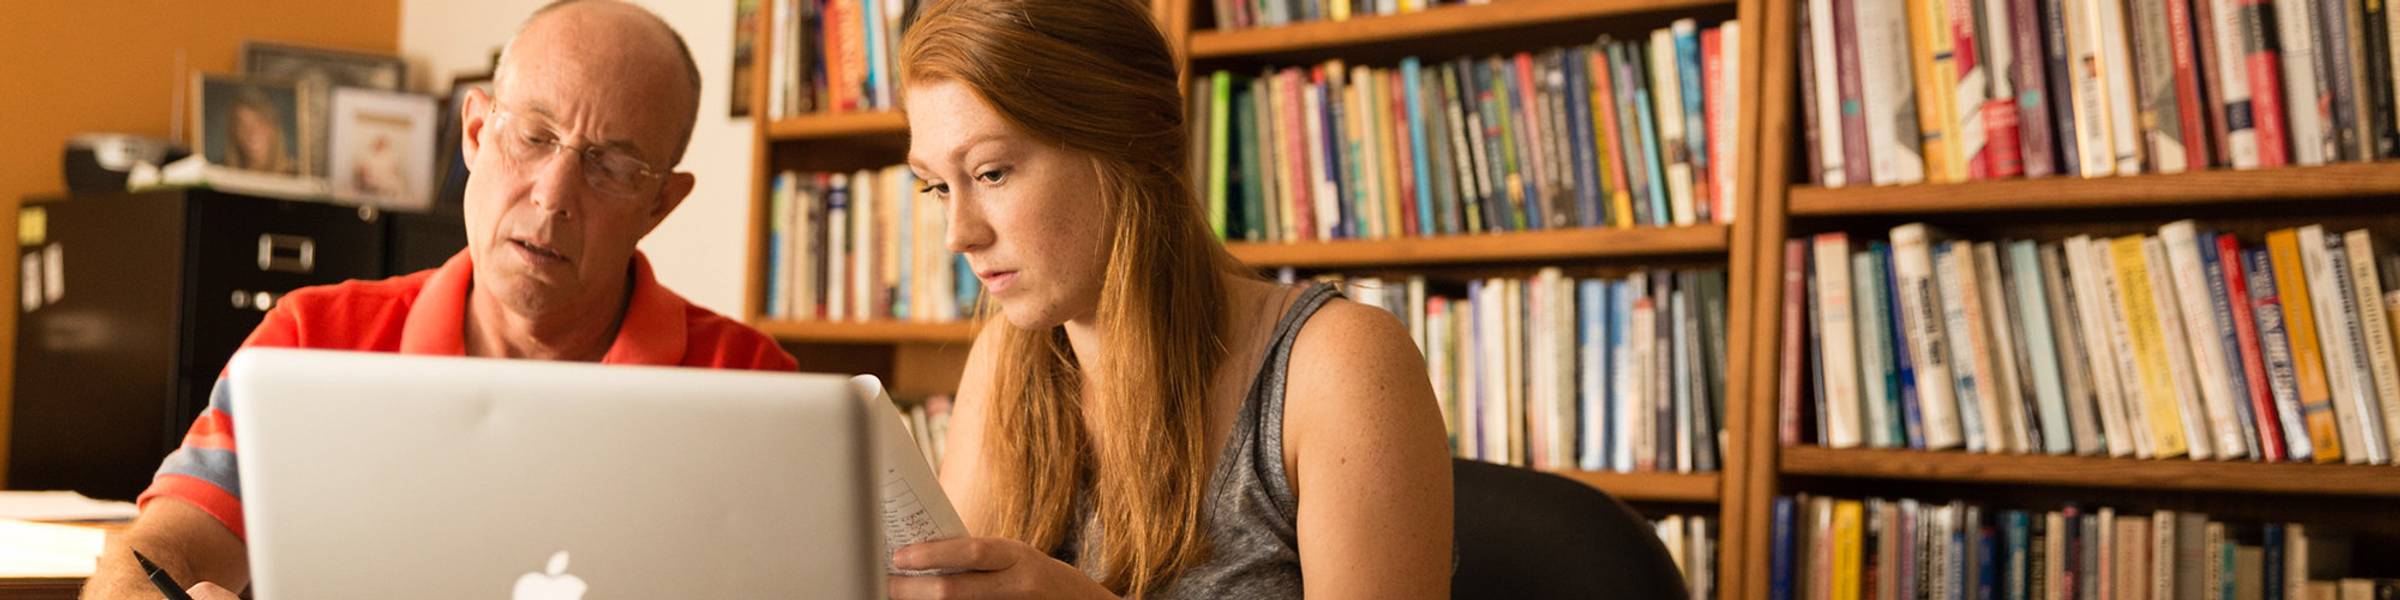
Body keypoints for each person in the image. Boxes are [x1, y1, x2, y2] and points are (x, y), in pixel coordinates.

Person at [79, 2, 795, 598]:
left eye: (610, 166)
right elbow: (160, 556)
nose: (553, 196)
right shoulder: (313, 341)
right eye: (534, 136)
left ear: (661, 204)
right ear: (477, 132)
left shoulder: (758, 391)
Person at [886, 0, 1454, 598]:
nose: (959, 234)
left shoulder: (1341, 365)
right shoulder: (1007, 357)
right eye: (937, 186)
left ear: (1123, 143)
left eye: (992, 173)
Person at [223, 87, 297, 175]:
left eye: (259, 121)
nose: (251, 132)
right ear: (233, 132)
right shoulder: (222, 173)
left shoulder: (296, 175)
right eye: (242, 125)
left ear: (273, 127)